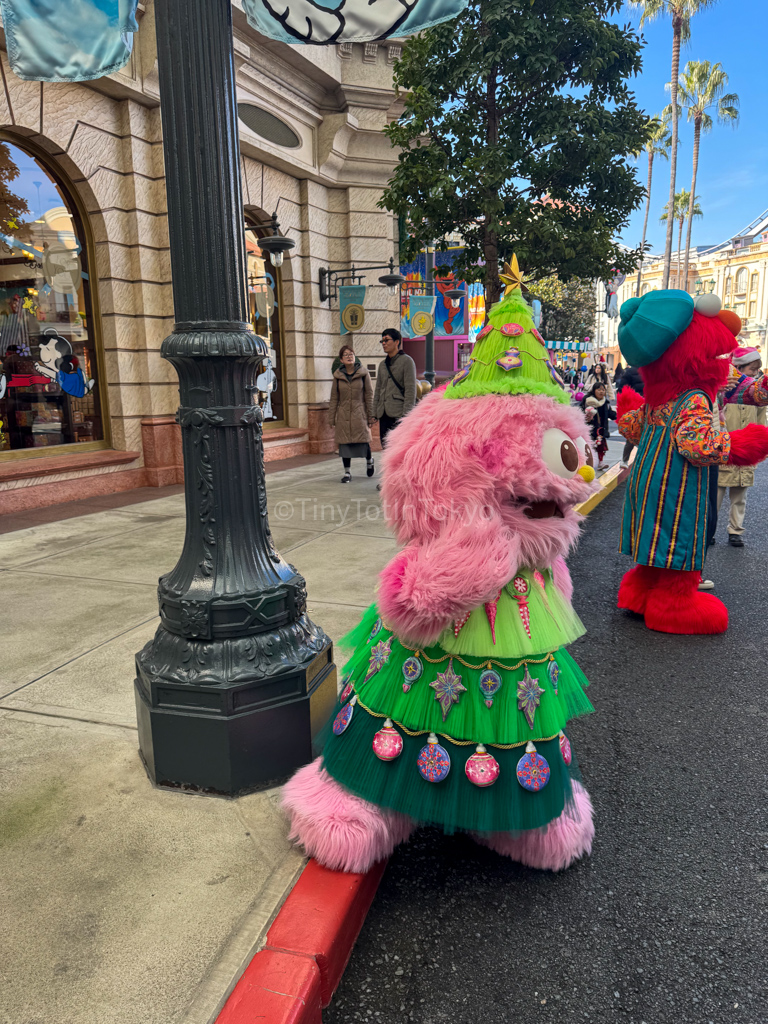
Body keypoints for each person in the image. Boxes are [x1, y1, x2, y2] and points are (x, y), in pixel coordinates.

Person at [716, 346, 766, 547]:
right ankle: (709, 528)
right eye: (751, 369)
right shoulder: (724, 390)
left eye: (756, 370)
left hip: (747, 449)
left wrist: (761, 444)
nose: (755, 374)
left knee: (740, 495)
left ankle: (735, 530)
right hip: (725, 447)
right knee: (716, 494)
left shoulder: (757, 394)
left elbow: (762, 421)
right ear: (738, 367)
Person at [328, 344, 375, 483]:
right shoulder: (337, 376)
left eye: (351, 354)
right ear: (341, 360)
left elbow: (369, 395)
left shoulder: (363, 374)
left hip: (359, 413)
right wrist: (332, 418)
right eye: (346, 355)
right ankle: (347, 472)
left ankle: (369, 460)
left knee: (364, 442)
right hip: (343, 414)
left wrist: (370, 415)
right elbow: (334, 398)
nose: (349, 356)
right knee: (344, 444)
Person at [373, 327, 417, 449]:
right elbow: (378, 389)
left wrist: (406, 416)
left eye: (387, 340)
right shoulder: (382, 365)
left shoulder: (407, 361)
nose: (384, 343)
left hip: (398, 414)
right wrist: (374, 412)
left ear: (397, 342)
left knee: (398, 448)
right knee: (385, 447)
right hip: (383, 413)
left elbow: (410, 390)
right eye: (382, 341)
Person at [581, 382, 616, 471]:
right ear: (594, 390)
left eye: (603, 390)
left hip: (600, 429)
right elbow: (580, 412)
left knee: (601, 447)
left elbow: (611, 414)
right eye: (599, 389)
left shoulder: (605, 403)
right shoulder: (588, 401)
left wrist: (620, 414)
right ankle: (586, 463)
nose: (601, 392)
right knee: (588, 446)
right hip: (590, 428)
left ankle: (600, 463)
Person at [616, 365, 644, 468]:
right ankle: (624, 460)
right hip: (635, 407)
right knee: (633, 433)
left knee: (645, 435)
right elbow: (622, 389)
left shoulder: (651, 370)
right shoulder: (631, 371)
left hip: (647, 406)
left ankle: (638, 461)